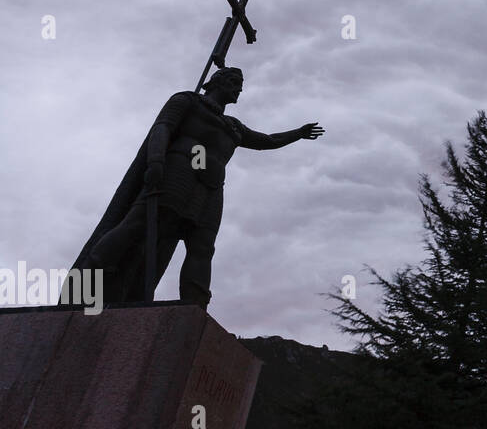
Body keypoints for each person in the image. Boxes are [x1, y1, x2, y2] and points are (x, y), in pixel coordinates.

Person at [67, 67, 323, 307]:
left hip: (210, 188)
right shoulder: (187, 101)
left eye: (241, 85)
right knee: (137, 226)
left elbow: (267, 140)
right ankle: (88, 280)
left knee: (202, 247)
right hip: (178, 173)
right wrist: (155, 161)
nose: (239, 90)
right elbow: (162, 129)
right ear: (216, 82)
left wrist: (298, 133)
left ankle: (194, 308)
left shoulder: (233, 126)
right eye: (234, 83)